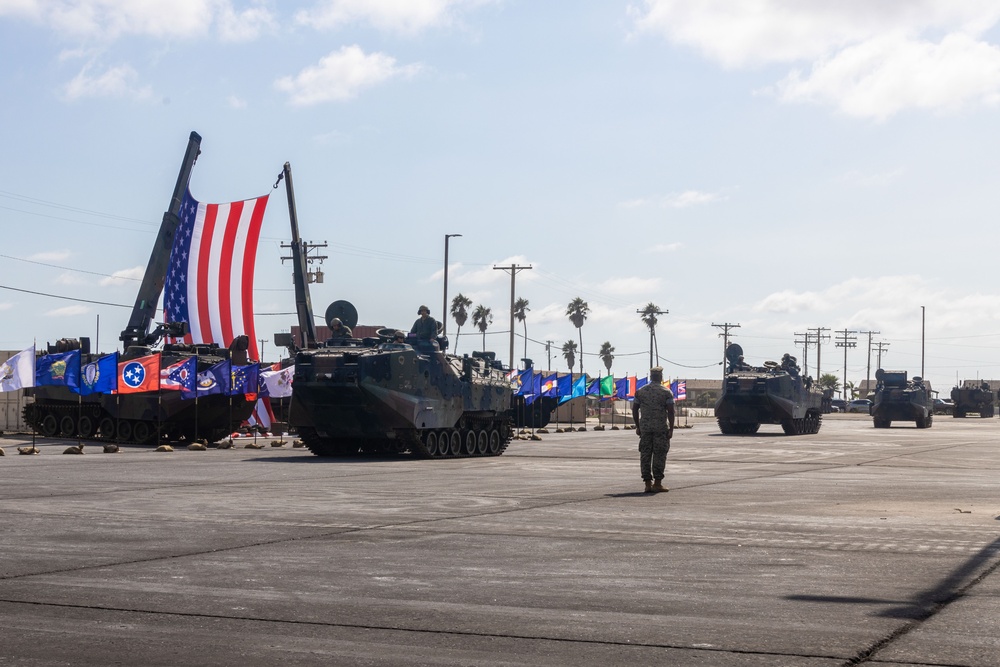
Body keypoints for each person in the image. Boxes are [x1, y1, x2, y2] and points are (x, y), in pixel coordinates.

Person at [631, 366, 675, 493]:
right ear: (661, 377)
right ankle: (658, 483)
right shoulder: (666, 392)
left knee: (645, 455)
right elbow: (671, 412)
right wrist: (671, 429)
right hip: (661, 428)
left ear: (651, 377)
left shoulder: (640, 391)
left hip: (645, 428)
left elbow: (634, 409)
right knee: (659, 455)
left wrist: (638, 426)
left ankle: (647, 484)